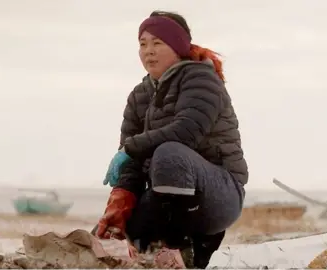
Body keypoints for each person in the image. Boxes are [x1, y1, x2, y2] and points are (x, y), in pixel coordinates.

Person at [95, 11, 248, 268]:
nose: (148, 51)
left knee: (169, 153)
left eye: (158, 43)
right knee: (107, 240)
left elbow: (186, 131)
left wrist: (130, 149)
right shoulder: (138, 96)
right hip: (168, 196)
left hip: (218, 194)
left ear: (177, 46)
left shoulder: (202, 79)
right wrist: (120, 202)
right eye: (143, 44)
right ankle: (159, 252)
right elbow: (131, 166)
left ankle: (183, 248)